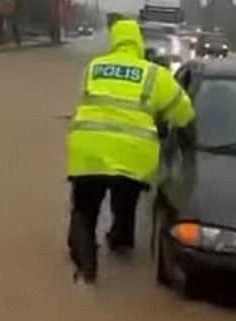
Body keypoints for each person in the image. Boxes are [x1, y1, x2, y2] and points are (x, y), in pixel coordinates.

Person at [66, 15, 195, 284]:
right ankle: (120, 241)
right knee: (126, 203)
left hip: (88, 150)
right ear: (138, 42)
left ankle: (86, 270)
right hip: (134, 155)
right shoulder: (153, 74)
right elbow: (184, 114)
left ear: (114, 41)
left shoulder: (94, 67)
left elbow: (85, 101)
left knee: (84, 210)